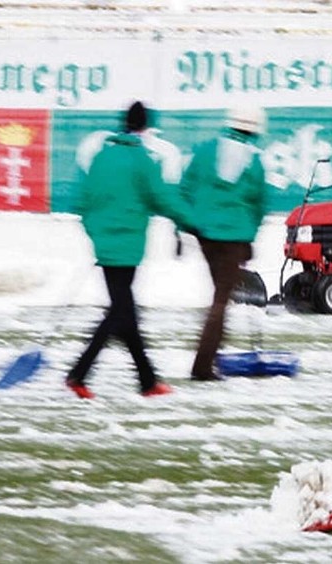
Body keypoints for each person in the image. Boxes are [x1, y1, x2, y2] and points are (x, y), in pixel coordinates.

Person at [66, 101, 198, 399]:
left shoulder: (101, 157)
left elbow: (83, 200)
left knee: (124, 314)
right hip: (127, 247)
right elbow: (163, 198)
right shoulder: (142, 160)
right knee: (121, 313)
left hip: (106, 244)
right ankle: (82, 374)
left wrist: (97, 233)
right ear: (145, 128)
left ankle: (145, 381)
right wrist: (193, 223)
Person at [181, 106, 268, 381]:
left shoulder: (206, 150)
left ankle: (211, 356)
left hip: (205, 234)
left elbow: (185, 188)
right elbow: (258, 204)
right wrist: (250, 238)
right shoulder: (254, 161)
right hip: (234, 238)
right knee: (220, 301)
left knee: (220, 296)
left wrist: (184, 226)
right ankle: (203, 365)